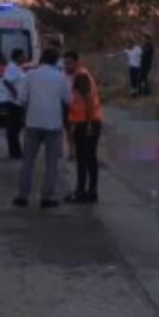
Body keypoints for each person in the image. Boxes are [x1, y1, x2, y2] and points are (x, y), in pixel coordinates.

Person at [14, 48, 72, 209]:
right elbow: (68, 99)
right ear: (55, 61)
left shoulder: (30, 75)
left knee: (28, 161)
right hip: (53, 124)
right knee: (51, 163)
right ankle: (47, 197)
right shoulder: (60, 77)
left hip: (33, 123)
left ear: (41, 59)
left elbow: (21, 99)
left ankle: (22, 196)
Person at [64, 51, 103, 203]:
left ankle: (81, 191)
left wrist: (86, 124)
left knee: (84, 158)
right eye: (65, 63)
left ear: (76, 62)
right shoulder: (82, 74)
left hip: (86, 122)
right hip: (90, 121)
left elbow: (87, 99)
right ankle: (90, 191)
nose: (66, 66)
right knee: (90, 158)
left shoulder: (80, 76)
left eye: (69, 63)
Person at [2, 48, 28, 159]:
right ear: (17, 57)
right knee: (13, 127)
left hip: (18, 102)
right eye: (23, 56)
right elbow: (6, 80)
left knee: (17, 127)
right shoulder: (12, 67)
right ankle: (14, 152)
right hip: (14, 102)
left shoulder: (18, 68)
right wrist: (15, 92)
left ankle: (16, 151)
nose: (24, 58)